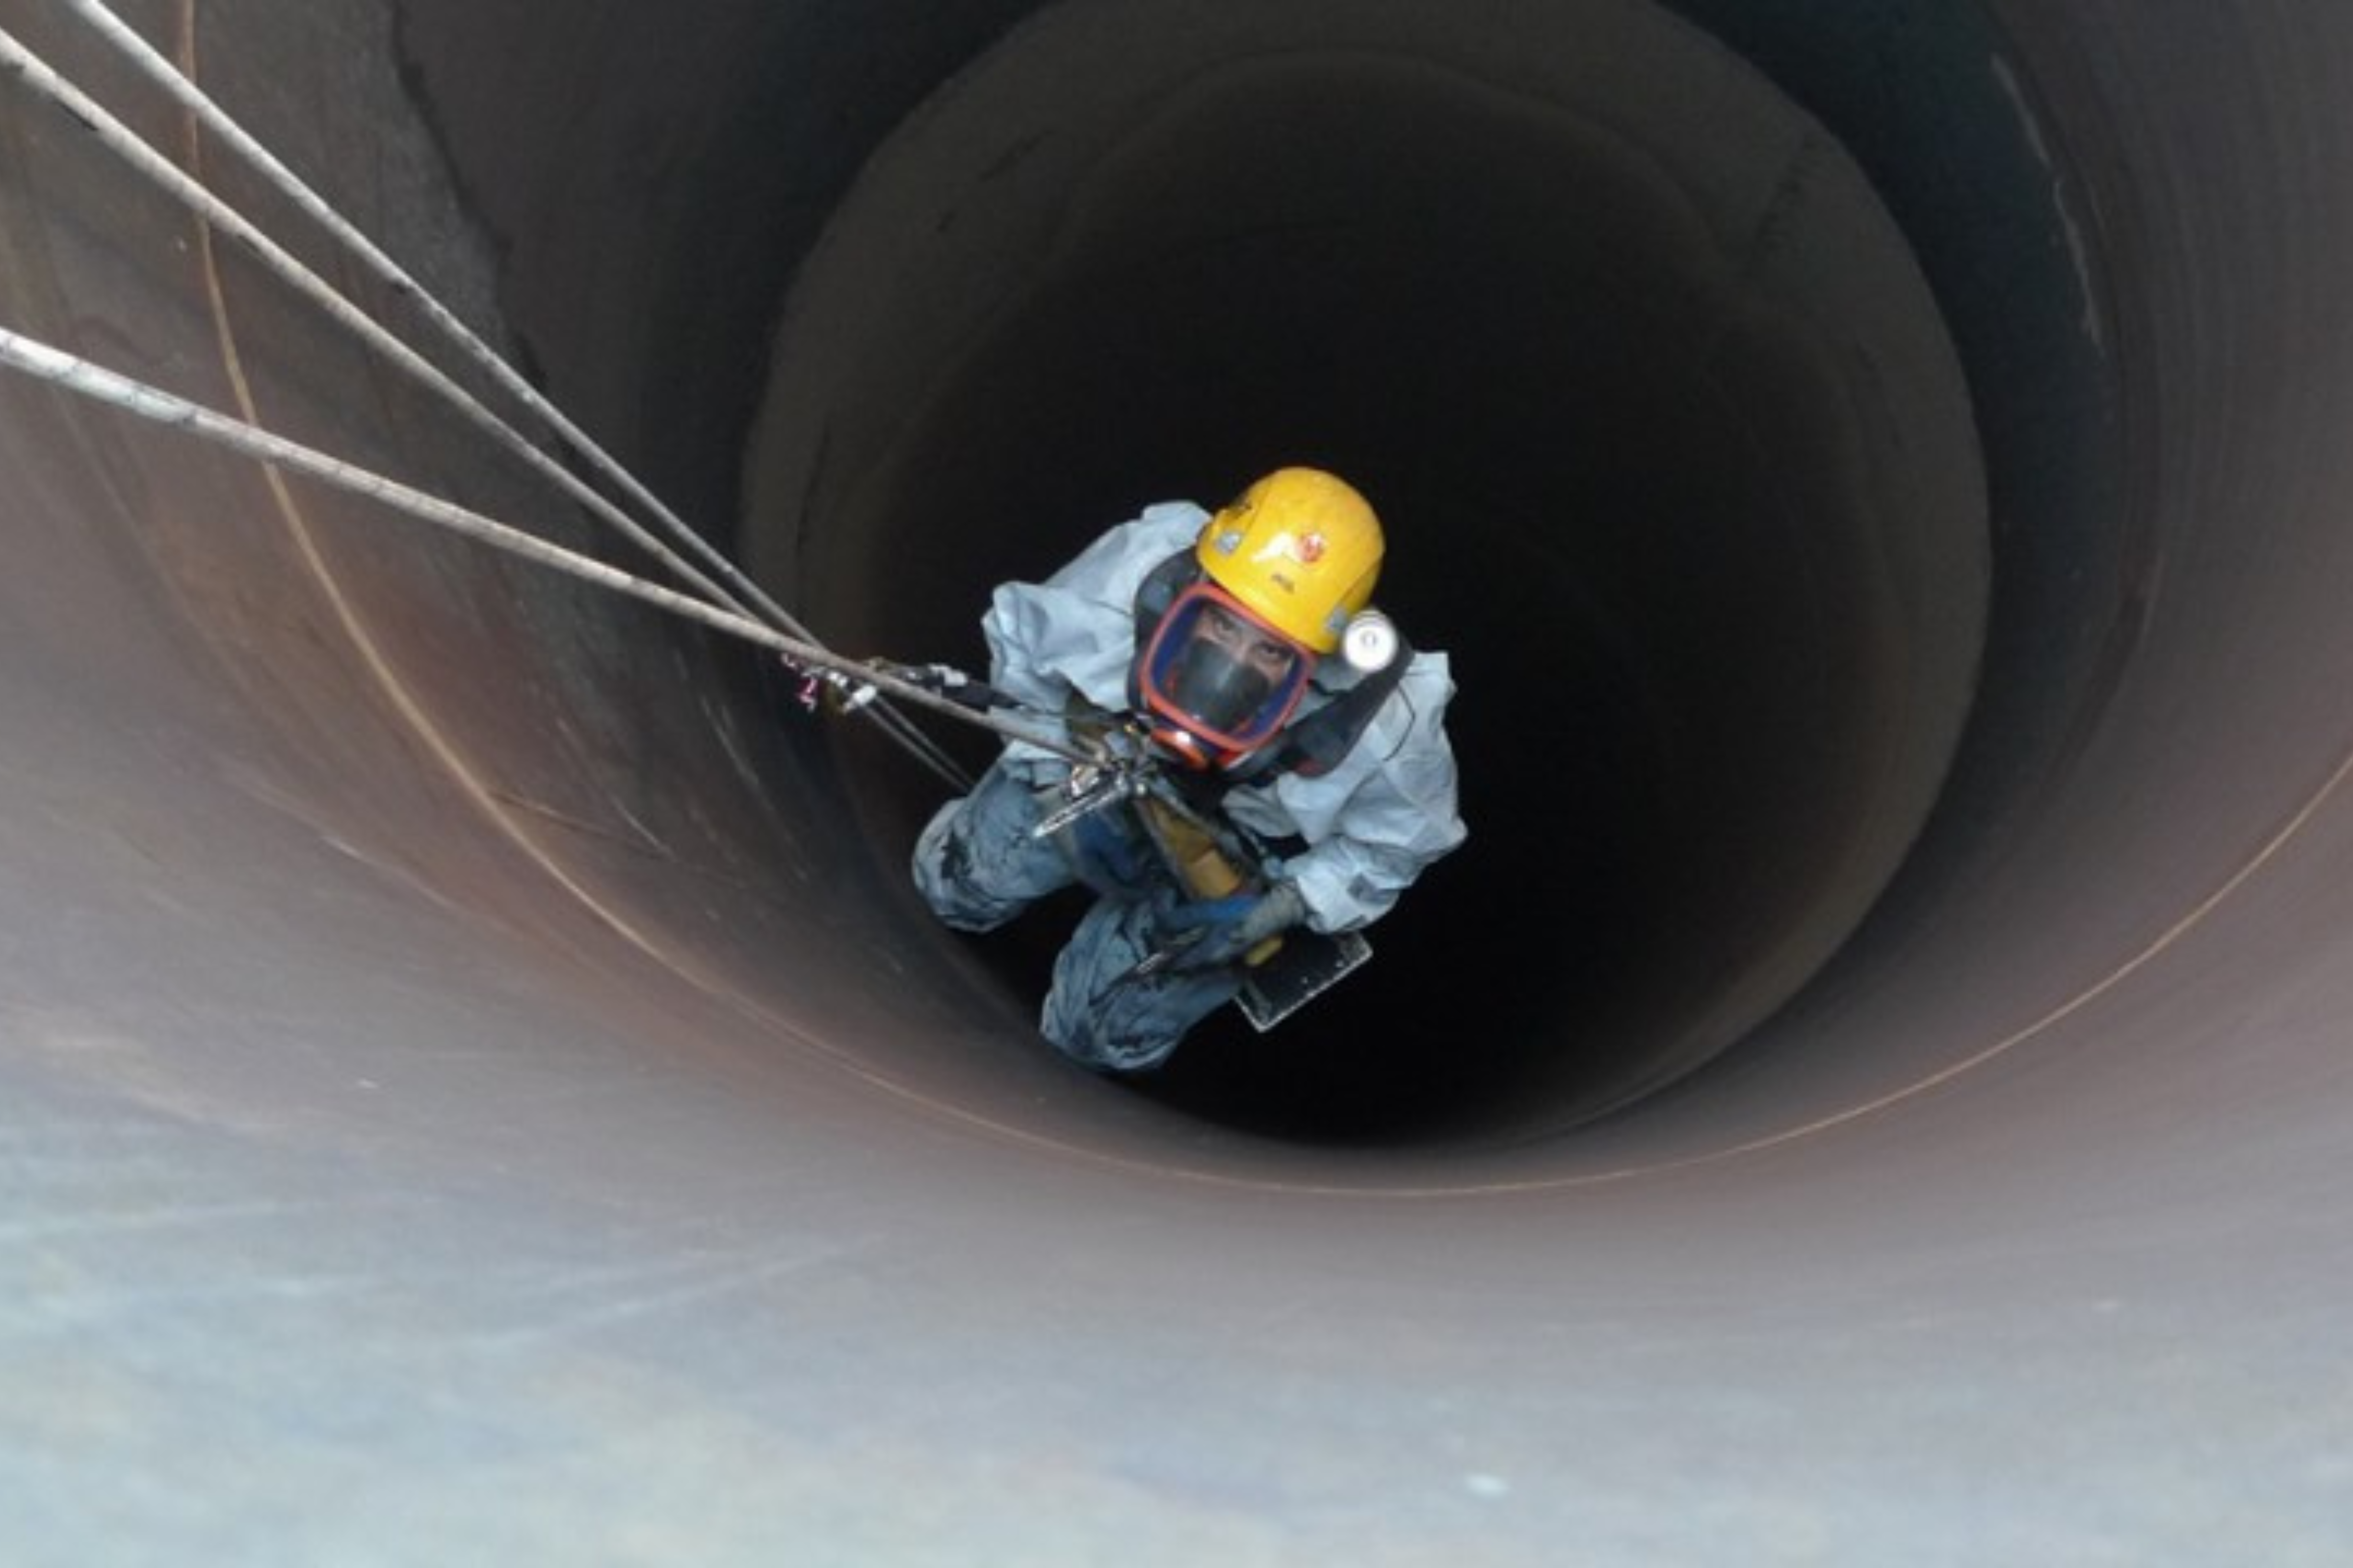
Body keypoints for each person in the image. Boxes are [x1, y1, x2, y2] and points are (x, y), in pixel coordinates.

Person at [911, 467, 1466, 1073]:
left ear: (1322, 654)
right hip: (1107, 760)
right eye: (1223, 623)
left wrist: (1289, 902)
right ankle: (968, 899)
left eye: (1272, 650)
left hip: (1230, 850)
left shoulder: (1385, 723)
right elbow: (1026, 647)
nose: (1234, 661)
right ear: (1199, 581)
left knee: (1102, 1033)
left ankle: (1079, 1056)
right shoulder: (1141, 570)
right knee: (960, 882)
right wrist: (1048, 770)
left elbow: (1393, 849)